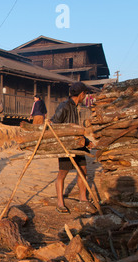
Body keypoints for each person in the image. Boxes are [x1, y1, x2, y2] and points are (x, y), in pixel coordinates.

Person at [50, 82, 92, 214]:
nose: (85, 97)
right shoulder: (64, 106)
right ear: (81, 94)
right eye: (85, 94)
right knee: (63, 173)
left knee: (83, 170)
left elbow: (76, 128)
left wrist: (86, 141)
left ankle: (83, 198)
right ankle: (60, 203)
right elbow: (54, 124)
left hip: (77, 143)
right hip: (66, 145)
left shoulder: (75, 106)